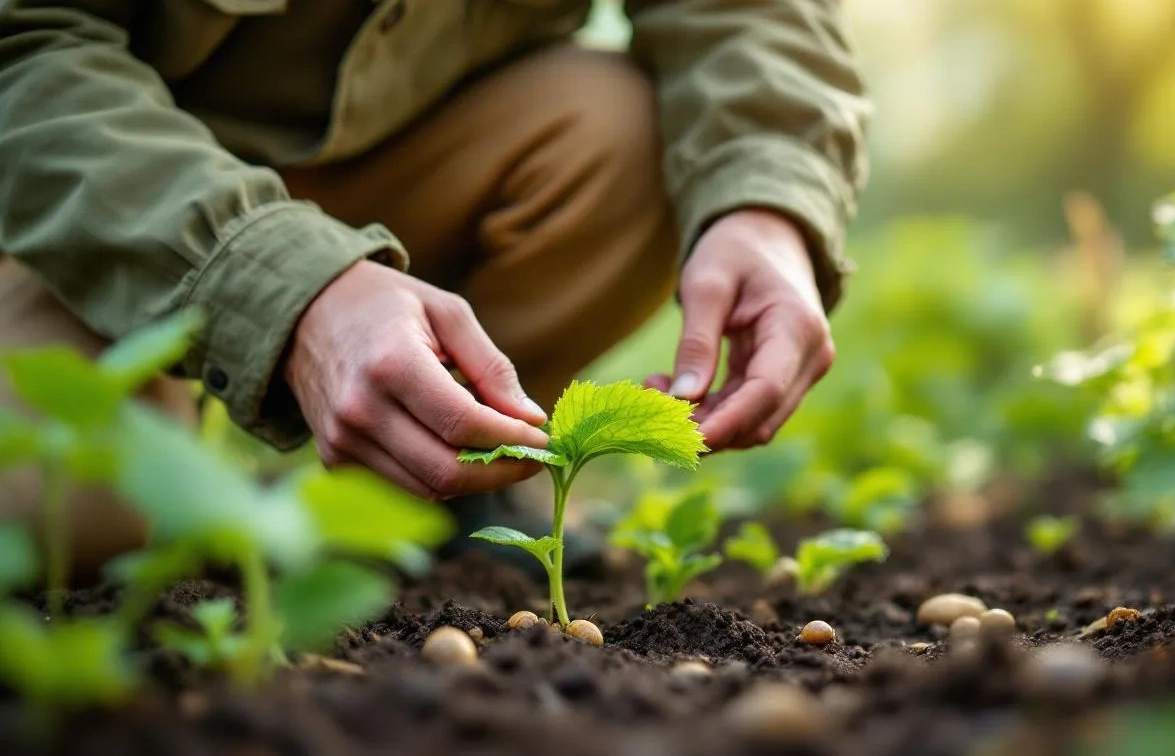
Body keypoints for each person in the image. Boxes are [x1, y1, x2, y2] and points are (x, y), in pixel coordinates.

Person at [0, 0, 869, 577]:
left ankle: (424, 494)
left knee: (626, 131)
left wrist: (766, 202)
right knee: (57, 517)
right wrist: (286, 285)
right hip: (81, 206)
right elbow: (25, 50)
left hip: (405, 170)